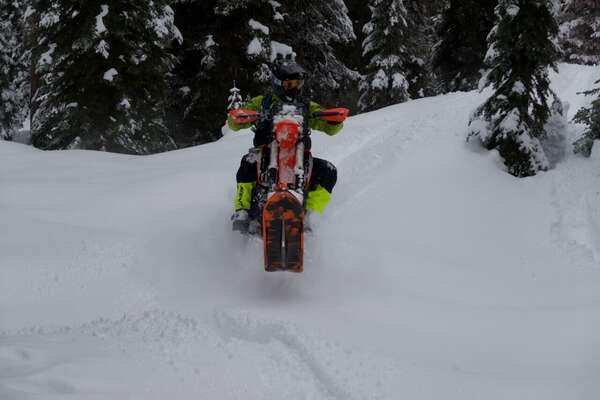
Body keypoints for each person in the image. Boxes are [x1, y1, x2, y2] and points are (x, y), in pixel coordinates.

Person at [227, 60, 344, 232]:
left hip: (298, 156)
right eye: (289, 84)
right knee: (247, 163)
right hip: (266, 153)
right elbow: (233, 122)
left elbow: (330, 128)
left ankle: (312, 214)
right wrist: (242, 116)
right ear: (278, 83)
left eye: (297, 83)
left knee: (329, 171)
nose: (294, 88)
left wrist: (332, 120)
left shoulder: (306, 105)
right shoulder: (263, 102)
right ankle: (242, 210)